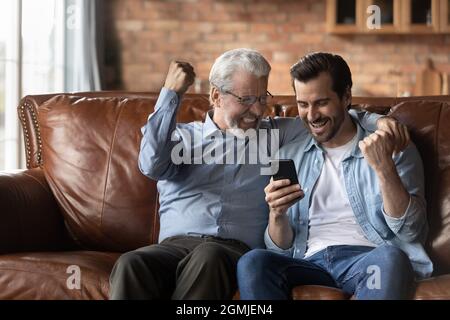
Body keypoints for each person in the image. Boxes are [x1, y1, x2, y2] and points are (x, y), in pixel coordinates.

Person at [109, 49, 408, 300]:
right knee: (130, 263)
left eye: (262, 98)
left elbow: (333, 116)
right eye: (246, 100)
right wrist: (171, 93)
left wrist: (381, 121)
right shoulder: (183, 139)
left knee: (208, 257)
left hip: (230, 251)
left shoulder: (276, 134)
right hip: (174, 246)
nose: (257, 111)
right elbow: (150, 164)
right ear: (216, 96)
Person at [237, 52, 433, 300]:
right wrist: (277, 214)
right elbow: (282, 250)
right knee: (253, 262)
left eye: (321, 102)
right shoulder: (290, 155)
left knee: (391, 257)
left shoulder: (393, 147)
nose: (311, 115)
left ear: (346, 97)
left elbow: (411, 232)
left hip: (368, 259)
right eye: (303, 104)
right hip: (309, 263)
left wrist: (384, 169)